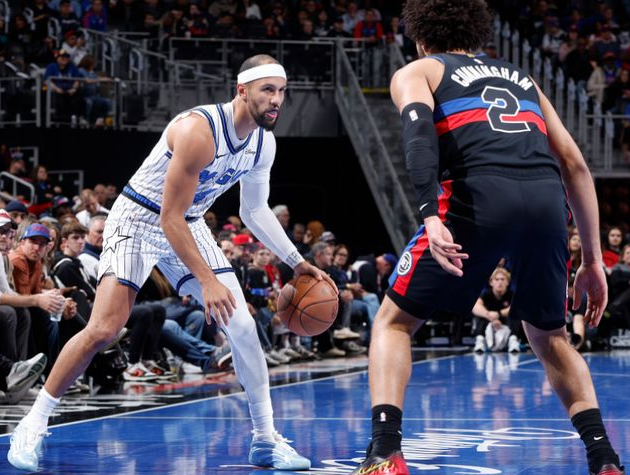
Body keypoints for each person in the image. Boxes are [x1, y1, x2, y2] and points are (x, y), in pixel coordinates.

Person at [8, 54, 333, 472]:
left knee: (243, 326)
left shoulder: (262, 143)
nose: (276, 100)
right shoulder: (198, 130)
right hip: (139, 219)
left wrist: (295, 261)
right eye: (267, 90)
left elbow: (253, 210)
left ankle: (266, 439)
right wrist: (207, 281)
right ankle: (32, 424)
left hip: (188, 222)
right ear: (242, 90)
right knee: (104, 328)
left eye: (282, 91)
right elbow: (168, 217)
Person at [349, 1, 624, 475]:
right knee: (551, 337)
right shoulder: (522, 78)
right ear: (476, 34)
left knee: (393, 323)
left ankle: (385, 454)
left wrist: (430, 216)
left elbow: (418, 139)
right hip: (545, 201)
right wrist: (593, 260)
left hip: (479, 196)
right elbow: (576, 165)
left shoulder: (419, 71)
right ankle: (605, 459)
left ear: (420, 38)